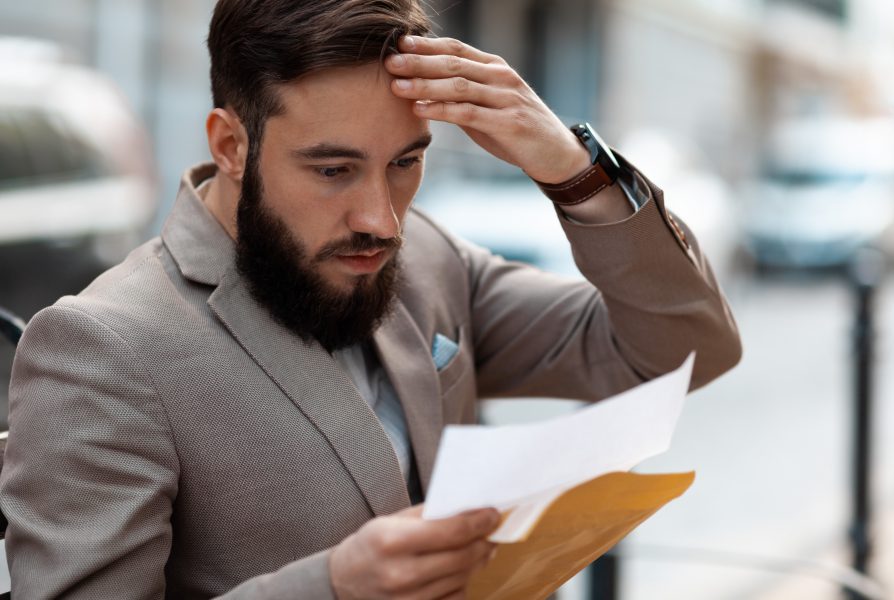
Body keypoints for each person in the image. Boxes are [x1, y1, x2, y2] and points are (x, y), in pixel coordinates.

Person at [0, 0, 741, 598]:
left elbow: (687, 351)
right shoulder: (102, 348)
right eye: (333, 170)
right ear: (230, 145)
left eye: (405, 163)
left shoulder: (430, 260)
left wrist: (574, 172)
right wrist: (332, 587)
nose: (381, 221)